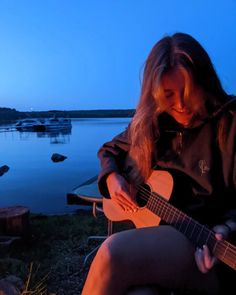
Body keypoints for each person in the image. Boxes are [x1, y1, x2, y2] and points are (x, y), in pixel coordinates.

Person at [82, 32, 236, 295]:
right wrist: (112, 178)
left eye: (188, 92)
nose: (180, 105)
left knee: (111, 254)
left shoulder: (230, 122)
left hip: (209, 249)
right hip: (160, 238)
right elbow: (109, 150)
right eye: (168, 95)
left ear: (205, 82)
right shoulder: (152, 124)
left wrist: (226, 228)